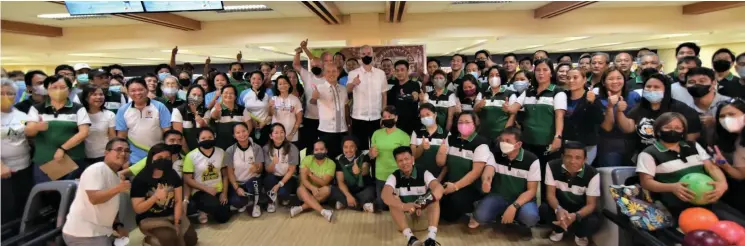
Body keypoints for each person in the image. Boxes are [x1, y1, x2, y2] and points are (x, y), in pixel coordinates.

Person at [636, 112, 745, 225]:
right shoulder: (648, 154)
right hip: (676, 207)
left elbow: (712, 168)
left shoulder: (693, 146)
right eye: (667, 127)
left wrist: (722, 183)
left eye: (678, 128)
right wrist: (672, 187)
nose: (673, 130)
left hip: (709, 201)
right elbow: (646, 182)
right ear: (658, 130)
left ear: (683, 131)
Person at [470, 127, 540, 239]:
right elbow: (489, 169)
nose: (503, 143)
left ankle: (521, 223)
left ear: (518, 144)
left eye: (508, 141)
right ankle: (498, 213)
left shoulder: (532, 160)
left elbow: (532, 190)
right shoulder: (495, 154)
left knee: (530, 217)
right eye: (502, 140)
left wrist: (514, 206)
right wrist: (486, 181)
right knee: (480, 216)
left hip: (522, 200)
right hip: (499, 196)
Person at [616, 70, 702, 157]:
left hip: (674, 156)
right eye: (648, 87)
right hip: (645, 155)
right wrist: (619, 111)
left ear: (666, 89)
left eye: (656, 87)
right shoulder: (639, 108)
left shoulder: (681, 109)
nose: (651, 90)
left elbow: (691, 139)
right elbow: (628, 128)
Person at [62, 138, 130, 246]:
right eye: (119, 149)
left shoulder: (116, 176)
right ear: (106, 153)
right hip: (83, 234)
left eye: (127, 151)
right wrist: (118, 188)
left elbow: (110, 207)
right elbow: (94, 198)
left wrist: (118, 226)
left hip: (99, 233)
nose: (123, 153)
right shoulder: (96, 169)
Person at [26, 75, 91, 183]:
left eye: (62, 87)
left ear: (69, 90)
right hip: (44, 159)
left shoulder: (78, 108)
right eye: (54, 87)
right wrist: (37, 127)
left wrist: (62, 149)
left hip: (71, 159)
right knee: (46, 193)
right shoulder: (37, 108)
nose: (58, 91)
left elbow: (84, 133)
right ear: (47, 89)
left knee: (69, 193)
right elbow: (29, 132)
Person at [131, 144, 197, 246]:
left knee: (191, 240)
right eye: (159, 158)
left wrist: (177, 222)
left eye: (167, 158)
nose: (164, 161)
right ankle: (149, 241)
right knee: (169, 239)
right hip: (150, 219)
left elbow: (179, 200)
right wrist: (155, 197)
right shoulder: (140, 180)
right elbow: (138, 209)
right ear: (151, 158)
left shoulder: (172, 174)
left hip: (171, 214)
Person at [541, 141, 602, 246]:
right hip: (561, 206)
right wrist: (558, 209)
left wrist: (575, 216)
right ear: (562, 157)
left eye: (578, 158)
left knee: (593, 221)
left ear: (585, 159)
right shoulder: (552, 166)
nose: (572, 161)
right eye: (568, 157)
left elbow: (591, 204)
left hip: (579, 210)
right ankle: (558, 230)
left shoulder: (593, 173)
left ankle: (579, 234)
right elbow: (550, 195)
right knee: (543, 209)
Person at [382, 146, 444, 246]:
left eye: (406, 159)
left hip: (423, 218)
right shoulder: (393, 176)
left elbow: (439, 188)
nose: (404, 163)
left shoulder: (424, 173)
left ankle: (431, 239)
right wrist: (403, 206)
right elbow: (385, 195)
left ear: (412, 159)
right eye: (400, 160)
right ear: (396, 163)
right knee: (393, 200)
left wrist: (422, 203)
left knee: (434, 198)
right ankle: (410, 238)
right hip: (405, 220)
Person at [519, 58, 566, 191]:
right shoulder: (528, 92)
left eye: (545, 70)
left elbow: (559, 115)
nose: (541, 73)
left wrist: (558, 137)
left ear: (551, 73)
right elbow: (514, 108)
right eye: (538, 70)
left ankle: (545, 207)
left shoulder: (557, 91)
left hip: (547, 143)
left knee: (547, 178)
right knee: (529, 176)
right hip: (528, 141)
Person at [436, 112, 488, 222]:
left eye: (467, 122)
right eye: (460, 122)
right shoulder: (451, 139)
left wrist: (455, 187)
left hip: (469, 186)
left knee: (453, 208)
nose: (463, 125)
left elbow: (476, 173)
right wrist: (441, 152)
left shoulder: (481, 143)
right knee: (436, 203)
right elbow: (443, 164)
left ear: (475, 124)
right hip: (450, 182)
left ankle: (473, 208)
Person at [116, 77, 172, 164]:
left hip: (158, 154)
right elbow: (121, 137)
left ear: (146, 89)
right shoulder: (123, 110)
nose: (137, 93)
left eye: (140, 89)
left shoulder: (160, 107)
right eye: (133, 90)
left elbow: (167, 132)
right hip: (134, 157)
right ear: (128, 92)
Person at [183, 128, 231, 224]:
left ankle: (209, 208)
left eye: (210, 137)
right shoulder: (191, 156)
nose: (207, 140)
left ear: (214, 138)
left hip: (218, 190)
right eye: (203, 138)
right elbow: (188, 179)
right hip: (200, 191)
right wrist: (206, 189)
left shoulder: (221, 152)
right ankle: (202, 210)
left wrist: (224, 193)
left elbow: (225, 175)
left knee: (224, 218)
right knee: (215, 207)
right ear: (198, 140)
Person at [1, 80, 33, 223]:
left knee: (22, 204)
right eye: (1, 93)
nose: (6, 96)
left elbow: (28, 138)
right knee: (6, 208)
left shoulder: (21, 115)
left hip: (24, 167)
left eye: (10, 93)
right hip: (3, 170)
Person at [347, 45, 390, 151]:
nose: (366, 56)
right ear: (360, 56)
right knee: (361, 149)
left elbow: (384, 95)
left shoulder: (380, 74)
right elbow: (347, 90)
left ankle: (375, 168)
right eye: (364, 54)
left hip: (376, 118)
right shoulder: (353, 73)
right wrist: (353, 83)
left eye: (369, 53)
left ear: (373, 55)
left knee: (377, 148)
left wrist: (384, 116)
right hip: (359, 118)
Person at [595, 68, 640, 167]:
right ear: (603, 82)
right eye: (610, 79)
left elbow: (630, 127)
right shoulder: (598, 100)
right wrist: (610, 107)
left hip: (632, 144)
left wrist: (620, 111)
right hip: (608, 146)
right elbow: (607, 127)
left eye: (619, 78)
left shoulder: (634, 96)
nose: (615, 81)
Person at [370, 106, 411, 209]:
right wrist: (372, 154)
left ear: (396, 118)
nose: (387, 118)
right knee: (382, 205)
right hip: (380, 174)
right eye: (384, 117)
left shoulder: (404, 136)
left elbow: (406, 158)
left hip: (397, 174)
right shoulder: (376, 134)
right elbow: (371, 154)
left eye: (390, 116)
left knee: (396, 205)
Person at [563, 68, 603, 165]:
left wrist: (591, 103)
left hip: (587, 145)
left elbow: (599, 119)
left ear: (584, 79)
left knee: (583, 173)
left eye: (575, 77)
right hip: (567, 145)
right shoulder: (563, 96)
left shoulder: (593, 97)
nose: (571, 81)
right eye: (568, 78)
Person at [289, 140, 335, 221]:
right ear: (313, 151)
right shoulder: (307, 159)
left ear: (326, 150)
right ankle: (323, 211)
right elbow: (303, 180)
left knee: (327, 189)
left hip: (319, 191)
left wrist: (311, 175)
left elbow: (324, 182)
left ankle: (300, 208)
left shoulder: (331, 163)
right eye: (316, 150)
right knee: (301, 189)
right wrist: (312, 188)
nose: (319, 151)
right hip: (306, 190)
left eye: (321, 149)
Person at [225, 122, 264, 217]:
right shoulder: (230, 151)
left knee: (254, 182)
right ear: (234, 136)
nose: (242, 134)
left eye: (244, 131)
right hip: (238, 183)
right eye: (238, 132)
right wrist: (237, 188)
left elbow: (260, 169)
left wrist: (257, 168)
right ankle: (247, 201)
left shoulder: (256, 148)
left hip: (253, 181)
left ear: (248, 131)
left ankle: (256, 205)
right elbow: (230, 172)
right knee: (236, 202)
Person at [685, 67, 731, 146]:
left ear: (713, 83)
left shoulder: (729, 104)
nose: (696, 84)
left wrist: (718, 123)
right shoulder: (685, 109)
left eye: (702, 81)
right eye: (691, 82)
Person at [311, 62, 348, 159]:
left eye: (334, 71)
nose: (331, 74)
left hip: (342, 130)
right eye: (328, 71)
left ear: (338, 72)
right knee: (328, 159)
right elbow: (313, 101)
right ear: (324, 73)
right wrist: (314, 97)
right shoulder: (319, 88)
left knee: (341, 158)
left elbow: (345, 107)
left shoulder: (343, 89)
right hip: (326, 130)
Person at [330, 135, 376, 212]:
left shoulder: (363, 155)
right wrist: (348, 196)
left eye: (352, 147)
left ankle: (346, 203)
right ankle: (363, 205)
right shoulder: (338, 159)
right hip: (347, 190)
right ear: (342, 148)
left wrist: (360, 170)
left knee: (371, 192)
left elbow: (366, 169)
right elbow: (340, 182)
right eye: (345, 147)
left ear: (356, 147)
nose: (348, 149)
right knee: (333, 190)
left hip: (362, 189)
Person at [474, 66, 520, 141]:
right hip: (482, 134)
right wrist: (479, 105)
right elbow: (474, 110)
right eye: (491, 75)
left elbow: (513, 115)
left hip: (501, 135)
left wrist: (504, 134)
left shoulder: (510, 94)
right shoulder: (482, 93)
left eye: (497, 75)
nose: (494, 78)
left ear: (502, 77)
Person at [263, 123, 300, 212]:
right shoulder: (266, 148)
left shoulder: (292, 148)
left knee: (283, 194)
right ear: (271, 136)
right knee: (269, 179)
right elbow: (268, 170)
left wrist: (279, 184)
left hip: (287, 177)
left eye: (282, 132)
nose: (279, 135)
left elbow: (291, 170)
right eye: (276, 133)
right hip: (273, 176)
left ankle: (282, 196)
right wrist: (273, 163)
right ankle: (270, 202)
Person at [411, 103, 450, 182]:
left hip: (438, 177)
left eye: (428, 114)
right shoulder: (416, 133)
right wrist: (421, 147)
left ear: (435, 114)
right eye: (422, 116)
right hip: (419, 177)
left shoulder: (446, 134)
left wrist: (439, 178)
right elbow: (413, 156)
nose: (425, 117)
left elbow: (448, 162)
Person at [81, 85, 116, 165]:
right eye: (94, 94)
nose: (99, 97)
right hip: (83, 157)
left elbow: (112, 137)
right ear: (86, 98)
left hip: (103, 156)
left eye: (101, 94)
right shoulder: (80, 114)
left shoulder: (109, 115)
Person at [209, 84, 251, 150]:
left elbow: (249, 126)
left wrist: (243, 138)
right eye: (226, 93)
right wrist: (217, 110)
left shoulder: (242, 109)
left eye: (231, 93)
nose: (228, 95)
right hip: (221, 145)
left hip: (239, 145)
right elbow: (215, 116)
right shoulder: (217, 107)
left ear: (235, 96)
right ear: (221, 95)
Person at [388, 60, 423, 135]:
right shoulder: (394, 88)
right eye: (397, 70)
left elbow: (415, 95)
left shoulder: (414, 84)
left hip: (411, 124)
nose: (399, 73)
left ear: (408, 71)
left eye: (402, 70)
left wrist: (407, 96)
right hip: (396, 125)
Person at [239, 71, 272, 146]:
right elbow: (241, 110)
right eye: (254, 78)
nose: (256, 81)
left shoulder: (268, 92)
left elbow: (272, 111)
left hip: (265, 126)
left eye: (259, 79)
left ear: (263, 80)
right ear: (250, 79)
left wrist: (264, 122)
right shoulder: (244, 93)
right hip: (249, 127)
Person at [172, 85, 208, 152]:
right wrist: (188, 153)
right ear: (188, 95)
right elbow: (179, 135)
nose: (196, 98)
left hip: (203, 150)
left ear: (203, 98)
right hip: (184, 150)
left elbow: (207, 130)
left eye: (199, 95)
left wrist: (199, 119)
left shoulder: (206, 111)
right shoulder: (178, 110)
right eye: (194, 94)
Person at [269, 75, 303, 145]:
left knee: (293, 154)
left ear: (289, 85)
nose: (283, 85)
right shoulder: (273, 99)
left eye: (285, 83)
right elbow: (271, 114)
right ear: (277, 87)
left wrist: (292, 134)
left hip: (291, 136)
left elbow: (299, 119)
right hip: (276, 136)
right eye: (280, 84)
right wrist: (270, 107)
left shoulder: (295, 99)